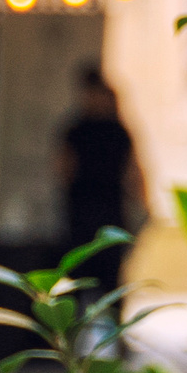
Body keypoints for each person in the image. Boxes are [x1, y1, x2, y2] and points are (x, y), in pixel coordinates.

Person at [56, 63, 143, 251]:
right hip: (86, 207)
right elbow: (64, 168)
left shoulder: (115, 132)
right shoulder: (77, 130)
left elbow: (133, 170)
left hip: (105, 207)